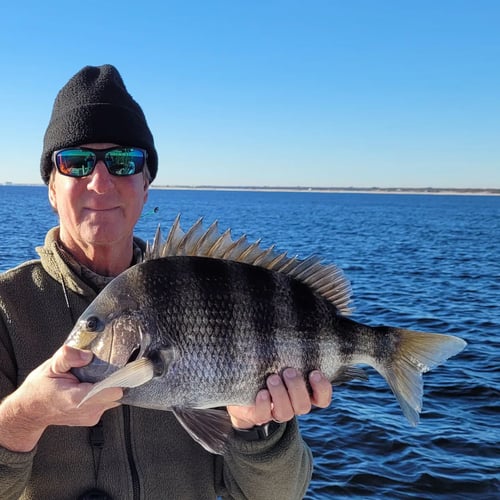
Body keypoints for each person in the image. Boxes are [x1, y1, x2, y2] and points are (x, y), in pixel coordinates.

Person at [0, 65, 333, 499]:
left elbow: (277, 495)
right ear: (50, 187)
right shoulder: (7, 308)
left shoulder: (204, 286)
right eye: (76, 161)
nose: (100, 182)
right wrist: (25, 415)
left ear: (145, 185)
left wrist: (260, 430)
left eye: (123, 161)